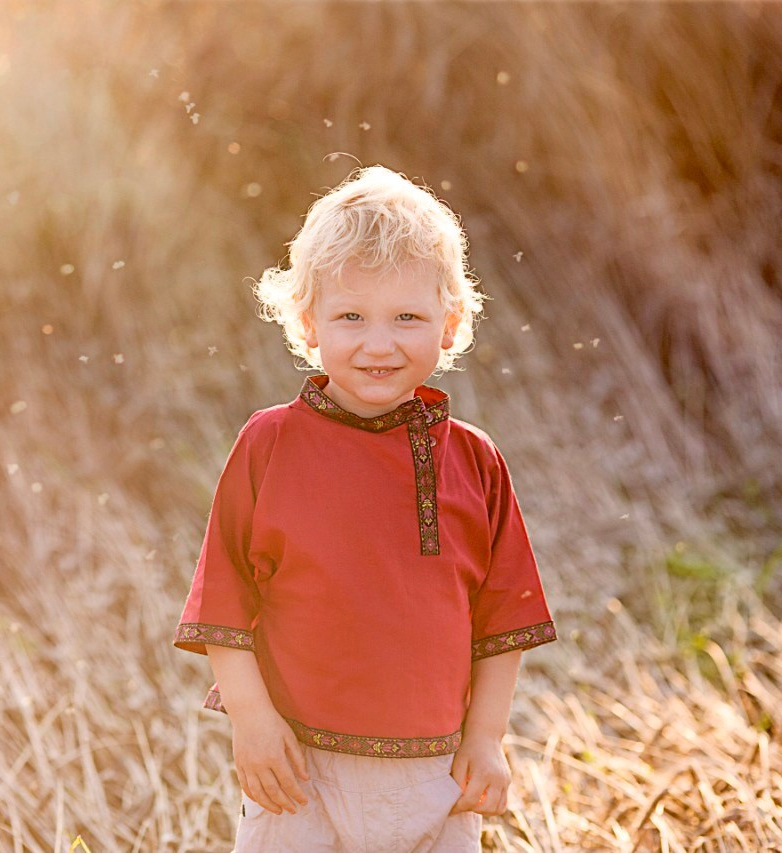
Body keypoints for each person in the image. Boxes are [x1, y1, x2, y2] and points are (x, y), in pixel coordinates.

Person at [172, 165, 557, 853]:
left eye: (407, 317)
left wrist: (487, 738)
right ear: (309, 323)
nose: (378, 344)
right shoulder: (269, 444)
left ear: (450, 324)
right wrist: (252, 722)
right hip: (300, 775)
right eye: (351, 316)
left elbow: (505, 620)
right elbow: (224, 602)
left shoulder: (476, 460)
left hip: (436, 776)